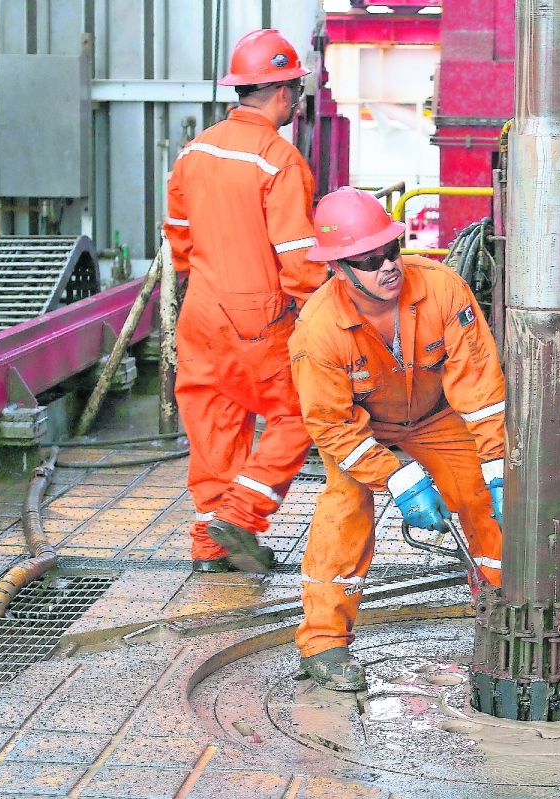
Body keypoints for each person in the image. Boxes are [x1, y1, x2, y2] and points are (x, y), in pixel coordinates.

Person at [288, 187, 506, 691]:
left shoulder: (442, 288)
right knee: (344, 509)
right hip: (362, 428)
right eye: (368, 260)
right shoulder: (318, 332)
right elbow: (331, 426)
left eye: (391, 250)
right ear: (339, 269)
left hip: (435, 414)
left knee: (483, 497)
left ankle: (502, 611)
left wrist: (496, 461)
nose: (388, 266)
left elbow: (479, 385)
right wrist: (400, 479)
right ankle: (323, 644)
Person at [163, 29, 326, 573]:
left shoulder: (196, 151)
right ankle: (242, 514)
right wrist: (325, 316)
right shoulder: (279, 160)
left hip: (200, 312)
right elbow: (300, 259)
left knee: (214, 425)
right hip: (257, 317)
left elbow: (178, 237)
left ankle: (211, 548)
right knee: (301, 412)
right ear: (285, 93)